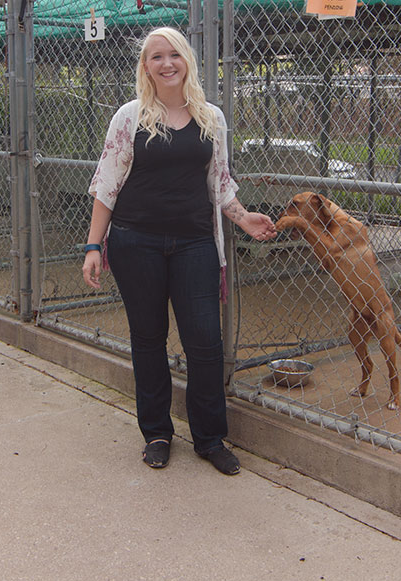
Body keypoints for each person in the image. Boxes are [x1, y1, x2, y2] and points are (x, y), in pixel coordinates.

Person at [82, 27, 276, 475]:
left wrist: (243, 217)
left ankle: (209, 438)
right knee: (148, 339)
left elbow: (220, 183)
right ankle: (156, 433)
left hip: (194, 243)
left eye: (174, 55)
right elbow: (107, 184)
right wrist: (94, 244)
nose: (166, 64)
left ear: (186, 60)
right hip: (136, 242)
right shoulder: (130, 116)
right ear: (145, 67)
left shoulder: (211, 118)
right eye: (156, 57)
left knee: (204, 342)